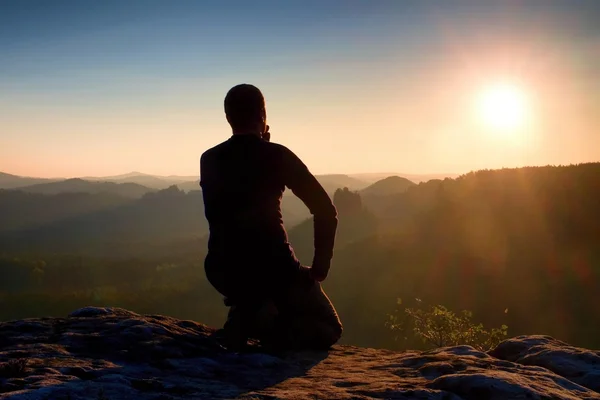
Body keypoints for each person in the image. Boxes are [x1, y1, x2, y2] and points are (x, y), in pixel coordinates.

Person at [200, 84, 342, 351]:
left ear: (228, 117)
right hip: (274, 268)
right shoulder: (277, 155)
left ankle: (249, 309)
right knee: (329, 327)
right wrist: (320, 268)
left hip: (221, 269)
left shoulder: (209, 158)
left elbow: (236, 195)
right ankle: (264, 327)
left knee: (254, 292)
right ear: (263, 115)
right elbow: (325, 209)